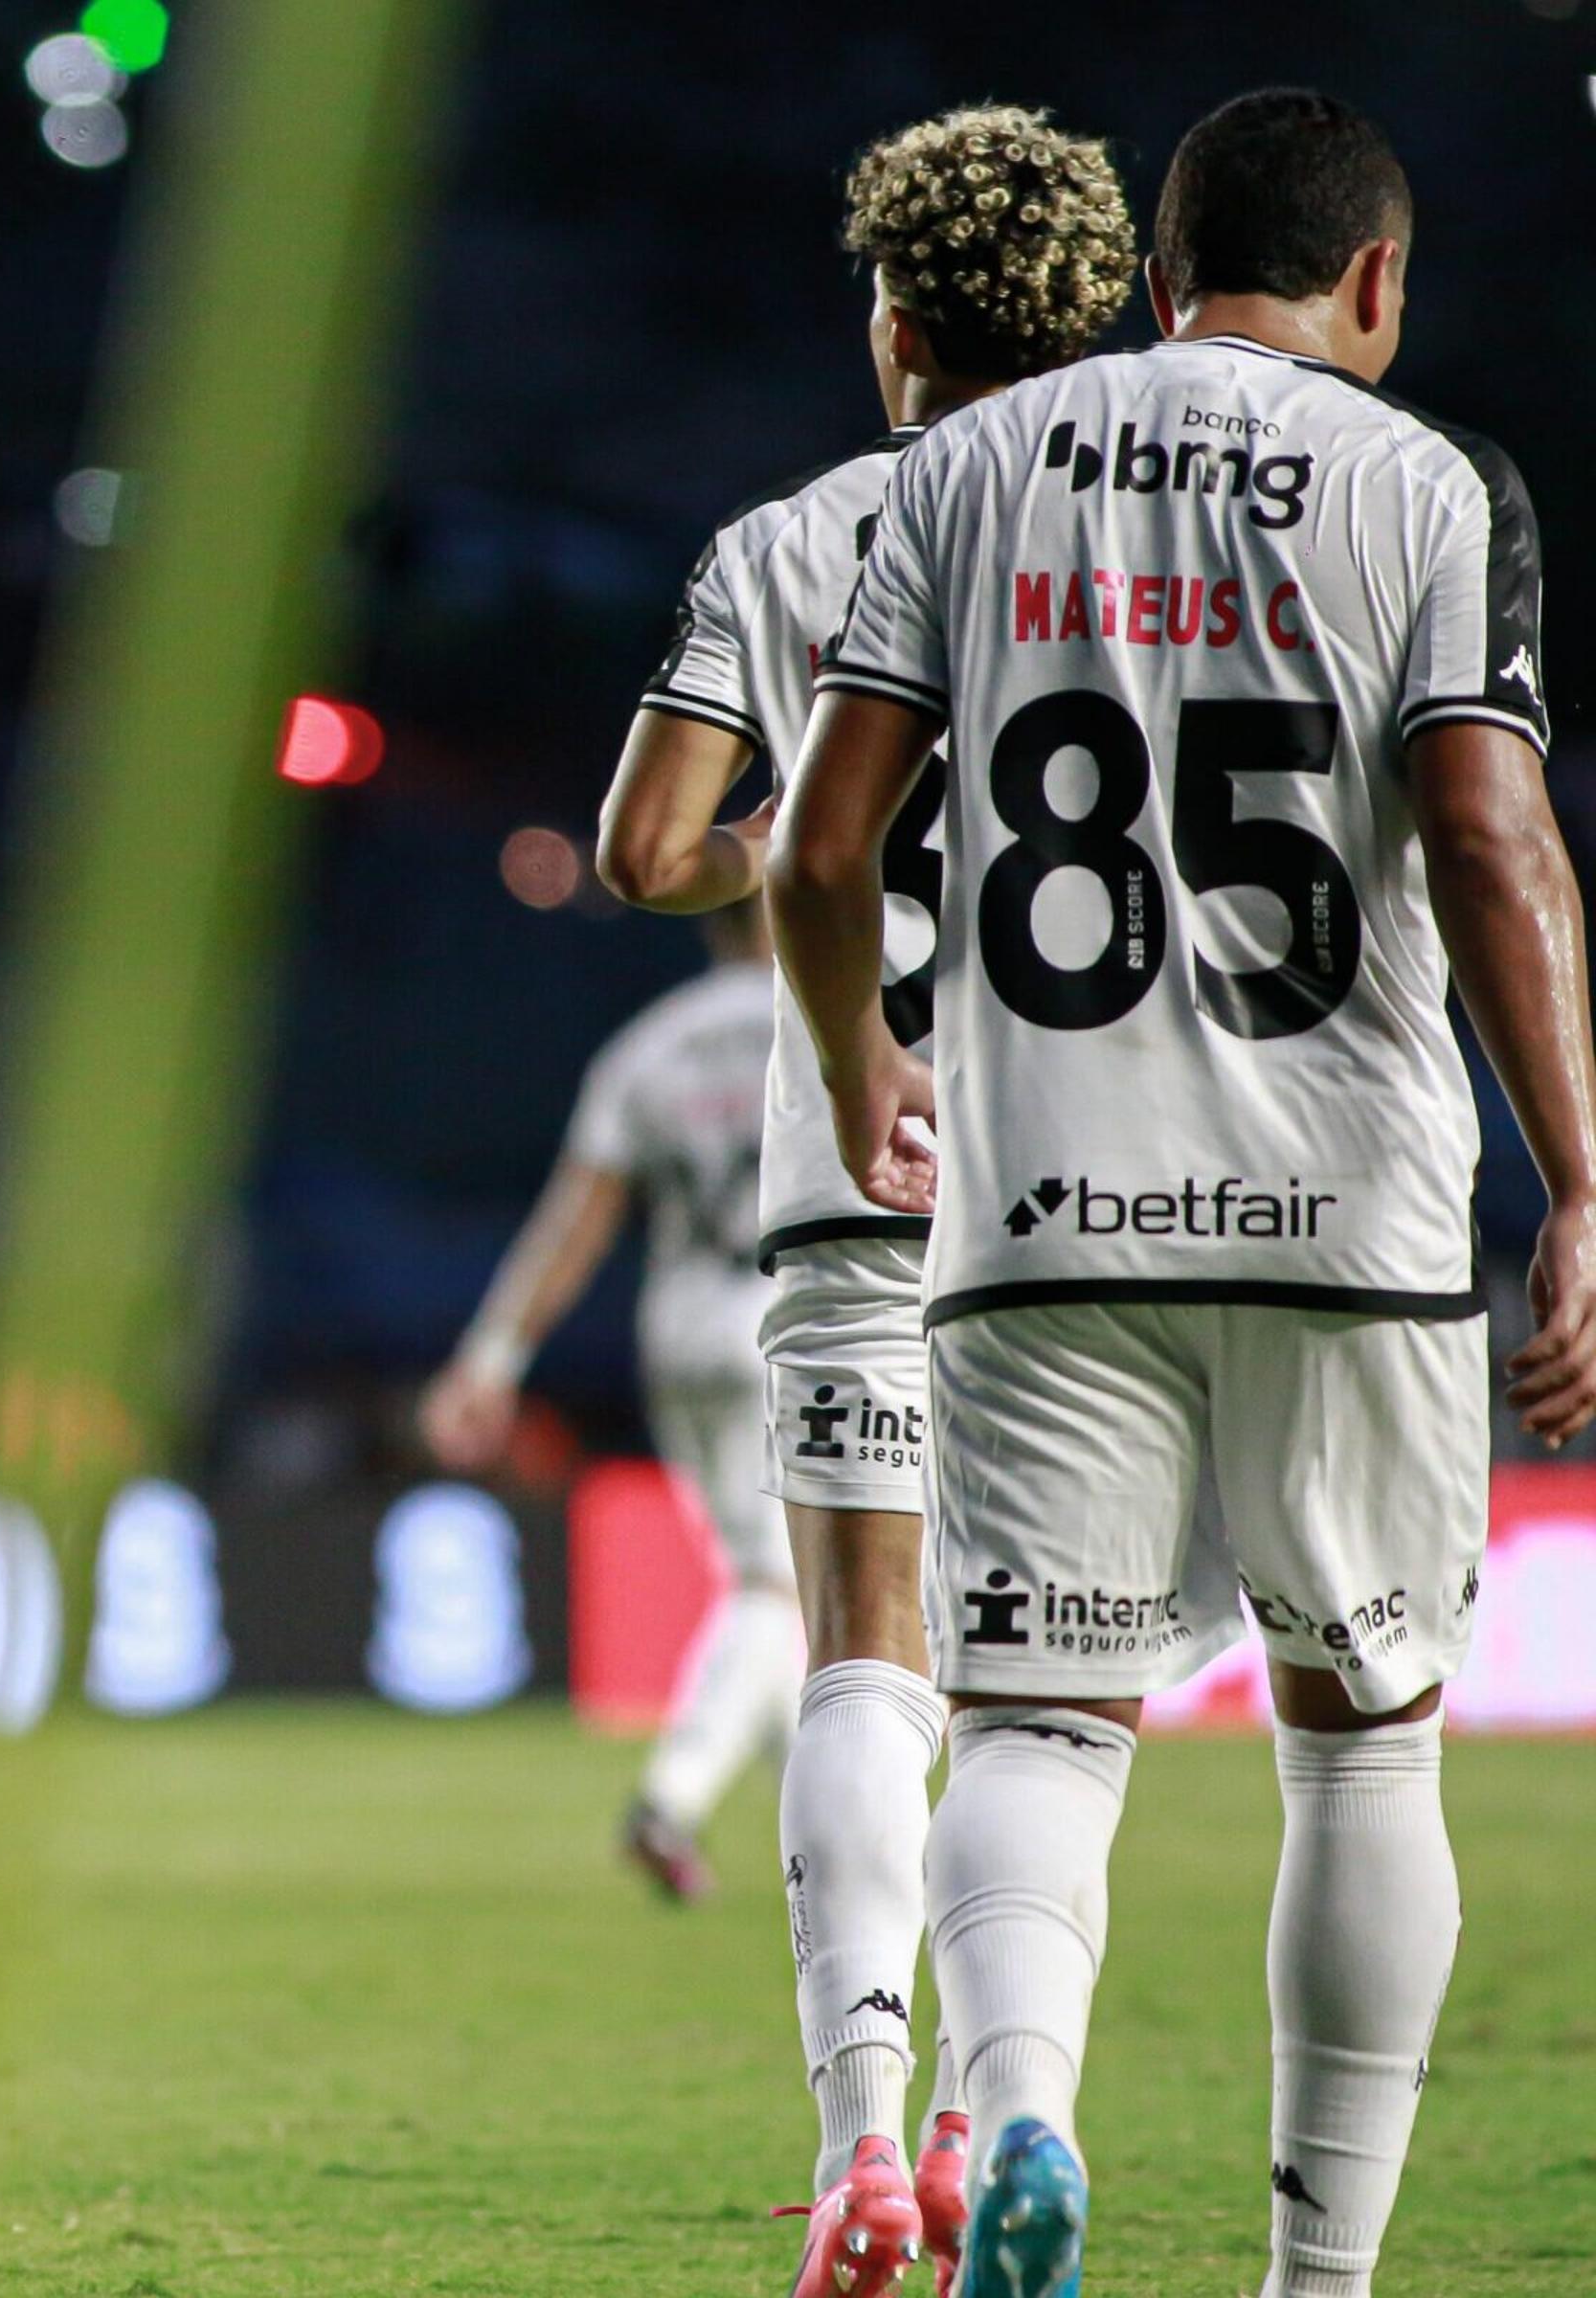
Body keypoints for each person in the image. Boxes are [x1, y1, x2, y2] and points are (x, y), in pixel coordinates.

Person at [773, 86, 1588, 2298]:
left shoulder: (960, 466)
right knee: (1358, 1749)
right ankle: (1310, 2276)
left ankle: (1016, 2105)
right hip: (1352, 1217)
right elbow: (1494, 843)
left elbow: (817, 848)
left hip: (1035, 1212)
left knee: (1034, 1723)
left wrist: (861, 1060)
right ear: (1377, 286)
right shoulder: (1425, 484)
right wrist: (1579, 1183)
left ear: (1152, 276)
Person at [597, 104, 1138, 2294]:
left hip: (857, 1142)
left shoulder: (793, 534)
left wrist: (809, 848)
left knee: (856, 1651)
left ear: (890, 324)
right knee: (1047, 1696)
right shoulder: (1160, 518)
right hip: (1113, 1163)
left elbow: (652, 848)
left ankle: (852, 2143)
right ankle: (1005, 2100)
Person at [420, 903, 797, 1903]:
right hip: (799, 1322)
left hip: (680, 1332)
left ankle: (827, 1834)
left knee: (768, 1592)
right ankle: (671, 1803)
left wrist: (489, 1362)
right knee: (786, 1592)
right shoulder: (838, 1008)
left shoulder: (652, 1046)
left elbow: (573, 1225)